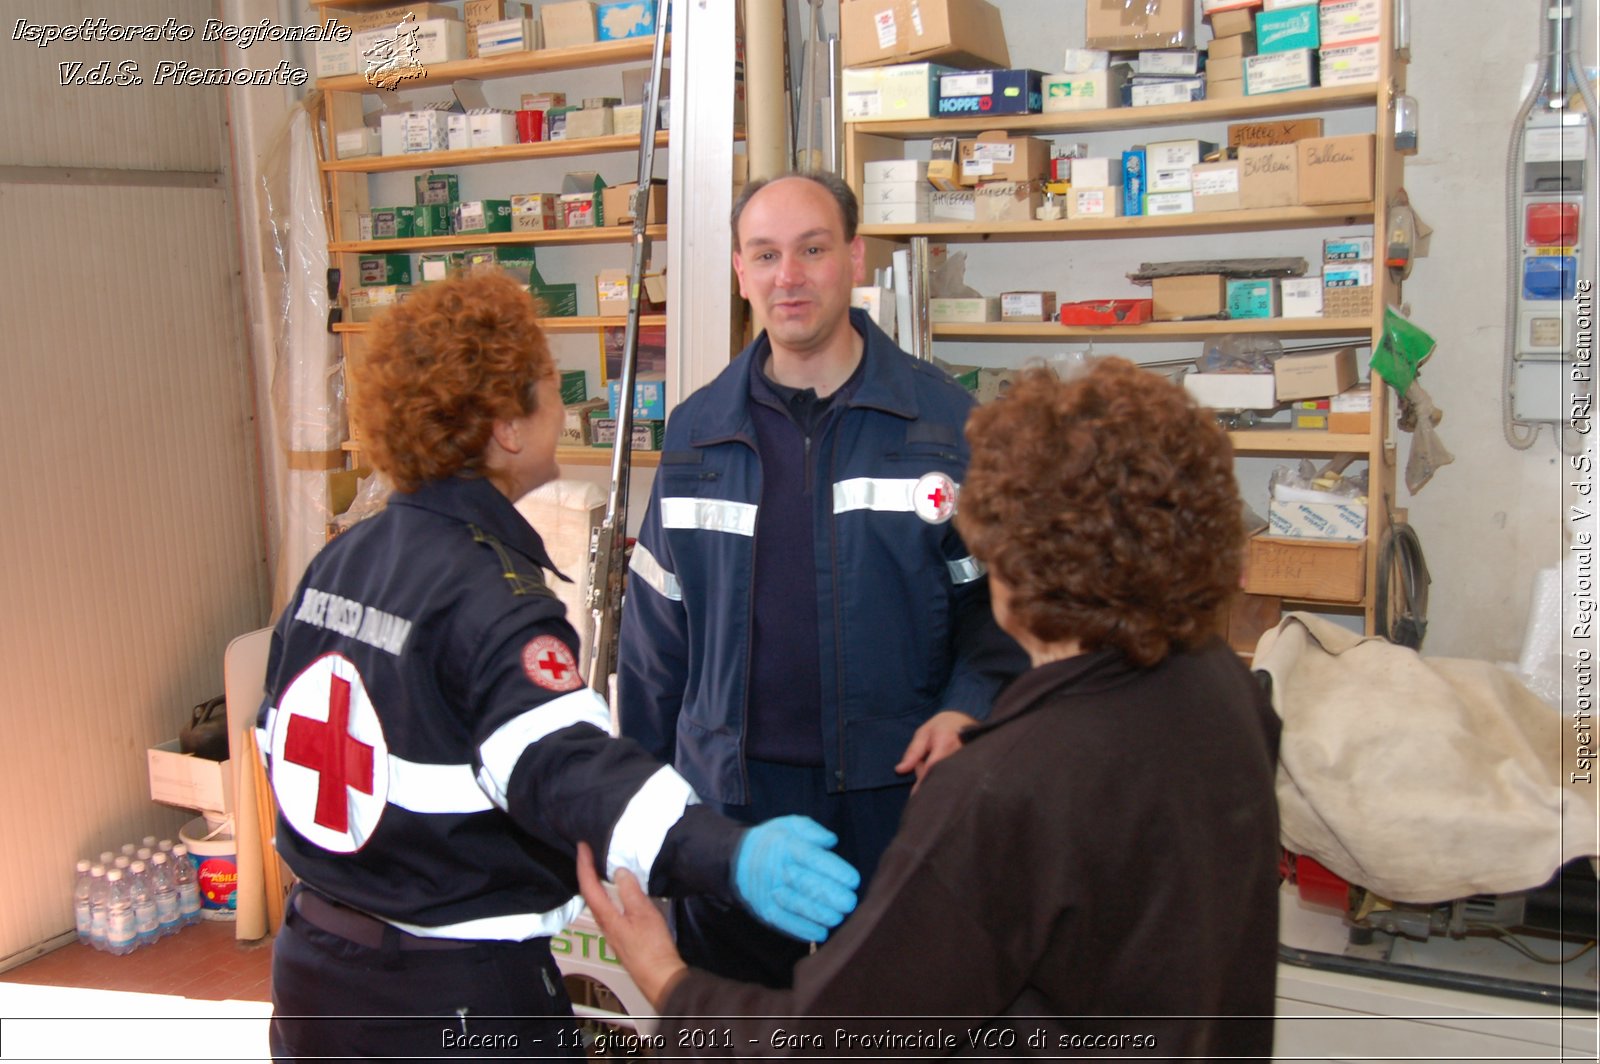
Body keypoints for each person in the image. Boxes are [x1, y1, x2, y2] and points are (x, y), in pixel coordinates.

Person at [582, 358, 1283, 1058]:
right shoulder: (1219, 691)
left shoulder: (1005, 785)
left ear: (1014, 553)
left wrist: (669, 982)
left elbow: (837, 1041)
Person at [256, 269, 859, 1060]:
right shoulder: (490, 599)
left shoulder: (338, 562)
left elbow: (275, 731)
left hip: (311, 976)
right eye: (548, 387)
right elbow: (568, 771)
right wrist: (729, 853)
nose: (561, 407)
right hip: (450, 1002)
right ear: (508, 426)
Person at [615, 170, 1029, 988]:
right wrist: (648, 827)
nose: (789, 277)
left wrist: (966, 709)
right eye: (765, 255)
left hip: (895, 804)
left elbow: (1001, 617)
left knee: (894, 1029)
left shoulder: (944, 427)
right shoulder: (699, 434)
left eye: (811, 249)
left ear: (854, 257)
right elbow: (655, 647)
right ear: (740, 272)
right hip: (728, 811)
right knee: (725, 1029)